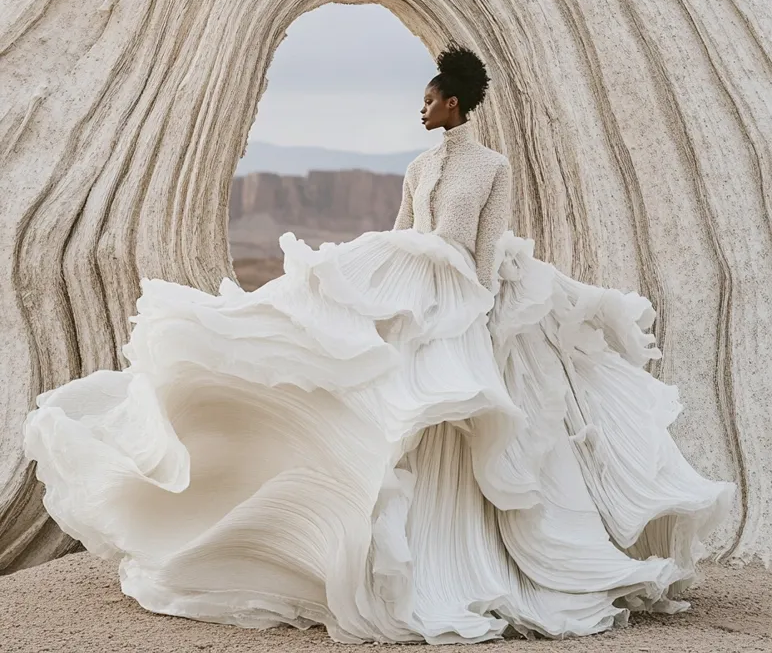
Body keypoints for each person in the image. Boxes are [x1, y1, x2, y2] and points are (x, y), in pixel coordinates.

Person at [25, 44, 733, 642]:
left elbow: (483, 253)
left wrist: (479, 317)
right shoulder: (420, 168)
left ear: (455, 103)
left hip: (462, 300)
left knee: (453, 425)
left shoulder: (491, 169)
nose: (421, 110)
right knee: (379, 406)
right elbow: (399, 228)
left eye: (430, 101)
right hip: (409, 290)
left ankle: (464, 560)